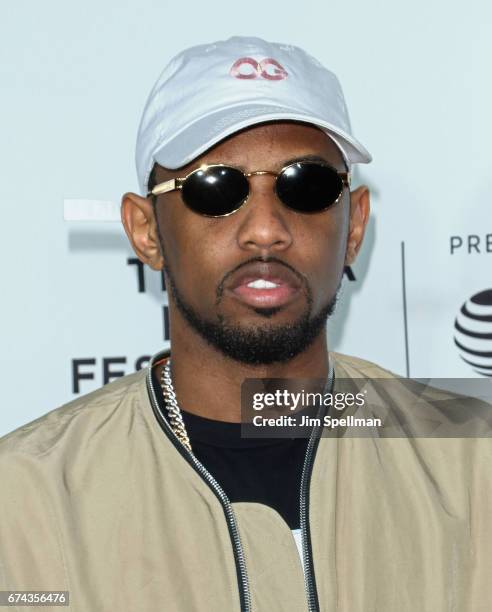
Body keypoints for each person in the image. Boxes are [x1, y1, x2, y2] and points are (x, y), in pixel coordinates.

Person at [1, 36, 491, 612]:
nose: (265, 229)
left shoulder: (473, 463)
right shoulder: (26, 499)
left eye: (306, 185)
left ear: (354, 226)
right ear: (146, 230)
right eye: (217, 187)